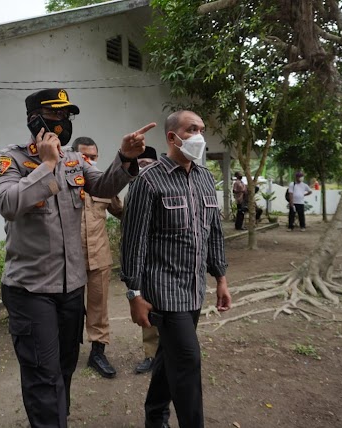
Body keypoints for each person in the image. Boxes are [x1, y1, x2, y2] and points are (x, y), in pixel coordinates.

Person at [0, 88, 155, 428]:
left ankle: (56, 418)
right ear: (34, 118)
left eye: (66, 117)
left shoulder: (75, 161)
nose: (62, 123)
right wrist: (47, 165)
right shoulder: (12, 159)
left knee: (64, 366)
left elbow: (106, 186)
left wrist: (124, 157)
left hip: (70, 287)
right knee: (42, 371)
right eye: (54, 116)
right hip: (30, 289)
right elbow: (8, 204)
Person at [120, 110, 232, 428]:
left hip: (195, 288)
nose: (199, 135)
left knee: (169, 357)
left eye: (201, 129)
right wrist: (134, 292)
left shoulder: (204, 177)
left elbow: (214, 233)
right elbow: (133, 241)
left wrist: (220, 278)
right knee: (187, 360)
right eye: (192, 129)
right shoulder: (148, 181)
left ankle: (155, 415)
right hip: (164, 291)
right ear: (173, 137)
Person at [71, 136, 123, 379]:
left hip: (99, 256)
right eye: (84, 156)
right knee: (69, 309)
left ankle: (97, 353)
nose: (89, 161)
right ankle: (67, 352)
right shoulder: (64, 183)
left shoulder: (103, 185)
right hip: (69, 260)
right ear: (73, 157)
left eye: (93, 157)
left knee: (98, 308)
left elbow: (121, 212)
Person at [135, 146, 160, 375]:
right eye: (139, 162)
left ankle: (171, 354)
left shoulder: (168, 186)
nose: (143, 165)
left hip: (166, 260)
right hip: (144, 262)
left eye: (148, 161)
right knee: (148, 309)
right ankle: (151, 355)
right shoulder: (135, 187)